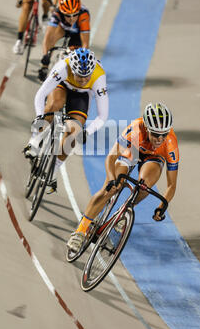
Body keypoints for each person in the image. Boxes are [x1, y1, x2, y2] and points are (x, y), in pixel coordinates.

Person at [67, 102, 179, 252]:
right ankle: (80, 231)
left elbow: (171, 185)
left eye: (164, 134)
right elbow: (111, 158)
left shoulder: (170, 143)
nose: (160, 139)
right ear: (146, 128)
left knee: (145, 186)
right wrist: (112, 178)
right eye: (155, 134)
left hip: (154, 158)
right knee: (110, 189)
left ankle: (126, 210)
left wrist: (161, 207)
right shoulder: (135, 130)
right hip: (132, 150)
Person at [23, 48, 109, 193]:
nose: (82, 80)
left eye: (86, 77)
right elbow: (41, 94)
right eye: (79, 76)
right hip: (63, 85)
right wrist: (40, 118)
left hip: (81, 96)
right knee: (53, 105)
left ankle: (53, 170)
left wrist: (87, 132)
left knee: (74, 132)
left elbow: (103, 116)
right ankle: (36, 140)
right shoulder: (63, 66)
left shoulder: (99, 76)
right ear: (72, 69)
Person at [38, 0, 90, 81]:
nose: (71, 19)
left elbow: (85, 43)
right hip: (63, 28)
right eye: (67, 15)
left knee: (77, 52)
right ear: (62, 12)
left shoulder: (83, 15)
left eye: (75, 15)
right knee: (51, 40)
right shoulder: (57, 14)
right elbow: (47, 37)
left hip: (78, 32)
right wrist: (45, 56)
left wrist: (82, 61)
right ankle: (44, 68)